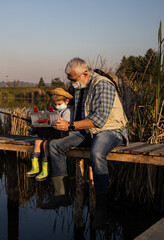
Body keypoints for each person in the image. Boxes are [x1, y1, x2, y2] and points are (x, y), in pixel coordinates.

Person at [42, 57, 128, 230]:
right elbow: (65, 101)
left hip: (111, 130)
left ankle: (102, 210)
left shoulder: (103, 85)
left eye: (72, 79)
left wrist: (70, 125)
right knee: (53, 145)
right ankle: (61, 195)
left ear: (85, 74)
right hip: (87, 130)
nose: (70, 83)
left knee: (96, 153)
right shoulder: (78, 85)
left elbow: (99, 119)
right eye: (69, 79)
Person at [26, 88, 74, 181]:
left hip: (62, 134)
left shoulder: (67, 111)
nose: (57, 106)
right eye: (55, 104)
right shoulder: (53, 110)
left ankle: (45, 169)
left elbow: (65, 125)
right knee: (37, 142)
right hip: (51, 133)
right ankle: (35, 167)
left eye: (59, 104)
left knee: (45, 144)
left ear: (67, 101)